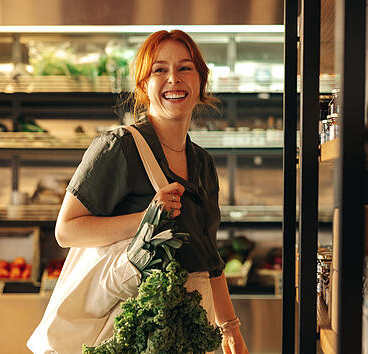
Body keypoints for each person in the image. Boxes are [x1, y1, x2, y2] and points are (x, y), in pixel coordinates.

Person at [55, 30, 249, 354]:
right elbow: (67, 230)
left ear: (201, 81)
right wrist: (148, 218)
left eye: (185, 68)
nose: (174, 78)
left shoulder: (202, 162)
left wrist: (229, 327)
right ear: (144, 84)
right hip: (135, 330)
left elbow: (210, 257)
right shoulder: (119, 147)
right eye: (159, 70)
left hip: (194, 324)